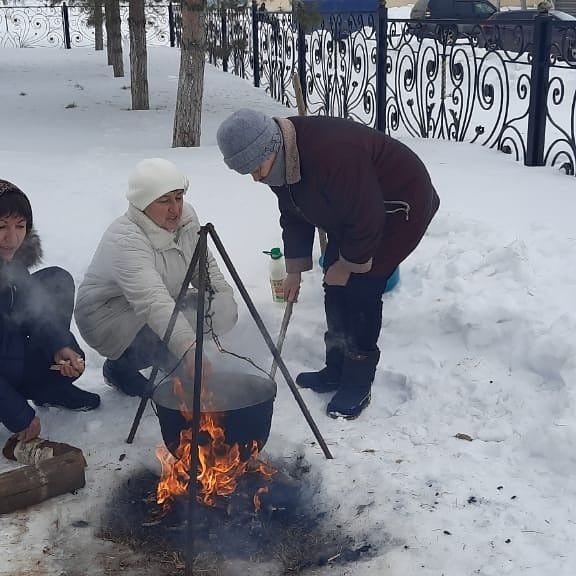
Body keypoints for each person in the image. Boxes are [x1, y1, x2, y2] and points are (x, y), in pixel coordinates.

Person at [216, 109, 440, 419]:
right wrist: (294, 270)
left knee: (363, 288)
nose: (256, 178)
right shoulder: (279, 160)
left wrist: (349, 265)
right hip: (352, 209)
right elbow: (294, 212)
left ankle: (358, 383)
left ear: (270, 149)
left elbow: (367, 217)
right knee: (333, 286)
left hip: (398, 207)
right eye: (248, 172)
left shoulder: (332, 154)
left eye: (256, 168)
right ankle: (336, 367)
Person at [75, 158, 238, 397]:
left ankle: (171, 355)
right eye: (164, 201)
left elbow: (204, 266)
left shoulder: (187, 219)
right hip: (110, 318)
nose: (175, 209)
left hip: (161, 301)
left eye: (178, 197)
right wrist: (190, 349)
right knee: (164, 332)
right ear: (143, 203)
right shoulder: (126, 239)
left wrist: (223, 301)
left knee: (220, 309)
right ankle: (121, 366)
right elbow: (152, 302)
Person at [0, 179, 100, 443]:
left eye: (20, 227)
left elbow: (34, 314)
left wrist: (61, 347)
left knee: (55, 280)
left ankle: (49, 387)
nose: (12, 238)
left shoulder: (13, 265)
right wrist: (18, 415)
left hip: (11, 359)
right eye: (1, 227)